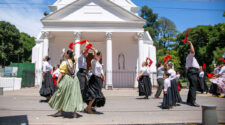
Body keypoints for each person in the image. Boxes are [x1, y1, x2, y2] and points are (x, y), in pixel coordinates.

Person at [48, 50, 83, 118]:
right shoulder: (74, 60)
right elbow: (74, 56)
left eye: (66, 53)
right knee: (74, 95)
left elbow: (61, 73)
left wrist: (57, 81)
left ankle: (59, 111)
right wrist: (72, 52)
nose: (64, 54)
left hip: (67, 79)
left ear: (67, 55)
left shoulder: (64, 62)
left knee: (61, 94)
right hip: (74, 79)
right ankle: (74, 113)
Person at [83, 48, 105, 114]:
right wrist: (93, 49)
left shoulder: (98, 62)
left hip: (98, 79)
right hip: (94, 79)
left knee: (96, 94)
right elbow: (95, 56)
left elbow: (100, 71)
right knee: (94, 95)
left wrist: (102, 76)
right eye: (100, 55)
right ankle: (89, 108)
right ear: (97, 55)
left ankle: (88, 107)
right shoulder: (94, 60)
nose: (101, 57)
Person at [186, 41, 200, 107]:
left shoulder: (189, 58)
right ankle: (192, 101)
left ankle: (189, 100)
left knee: (192, 87)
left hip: (192, 72)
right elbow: (192, 51)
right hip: (193, 72)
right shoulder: (190, 56)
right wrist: (191, 43)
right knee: (193, 87)